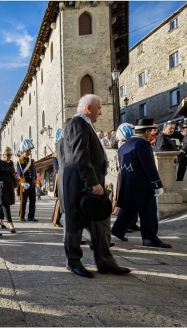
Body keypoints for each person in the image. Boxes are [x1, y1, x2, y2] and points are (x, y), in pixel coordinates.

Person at [62, 94, 130, 278]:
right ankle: (73, 262)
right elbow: (80, 155)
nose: (100, 112)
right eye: (99, 108)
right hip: (80, 184)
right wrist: (92, 183)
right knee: (75, 225)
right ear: (88, 108)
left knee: (100, 222)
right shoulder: (77, 123)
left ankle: (106, 262)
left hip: (88, 182)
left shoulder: (85, 124)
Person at [111, 118, 172, 248]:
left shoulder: (125, 145)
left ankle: (118, 229)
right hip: (142, 185)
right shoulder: (143, 144)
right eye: (151, 131)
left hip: (127, 183)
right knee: (148, 212)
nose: (152, 134)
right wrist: (157, 184)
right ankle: (149, 238)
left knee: (129, 209)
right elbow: (149, 166)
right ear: (147, 131)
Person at [0, 146, 17, 233]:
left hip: (9, 186)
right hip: (1, 187)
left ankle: (0, 220)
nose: (9, 156)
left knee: (5, 204)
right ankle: (10, 223)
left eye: (10, 155)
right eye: (8, 155)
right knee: (5, 205)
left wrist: (15, 184)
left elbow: (13, 174)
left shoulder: (11, 163)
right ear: (3, 155)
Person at [17, 139, 39, 222]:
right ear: (25, 149)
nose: (30, 151)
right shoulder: (20, 160)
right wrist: (23, 182)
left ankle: (31, 216)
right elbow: (19, 173)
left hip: (32, 183)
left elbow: (34, 171)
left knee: (33, 201)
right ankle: (21, 216)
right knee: (24, 201)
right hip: (25, 183)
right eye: (29, 149)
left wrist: (36, 181)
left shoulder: (31, 160)